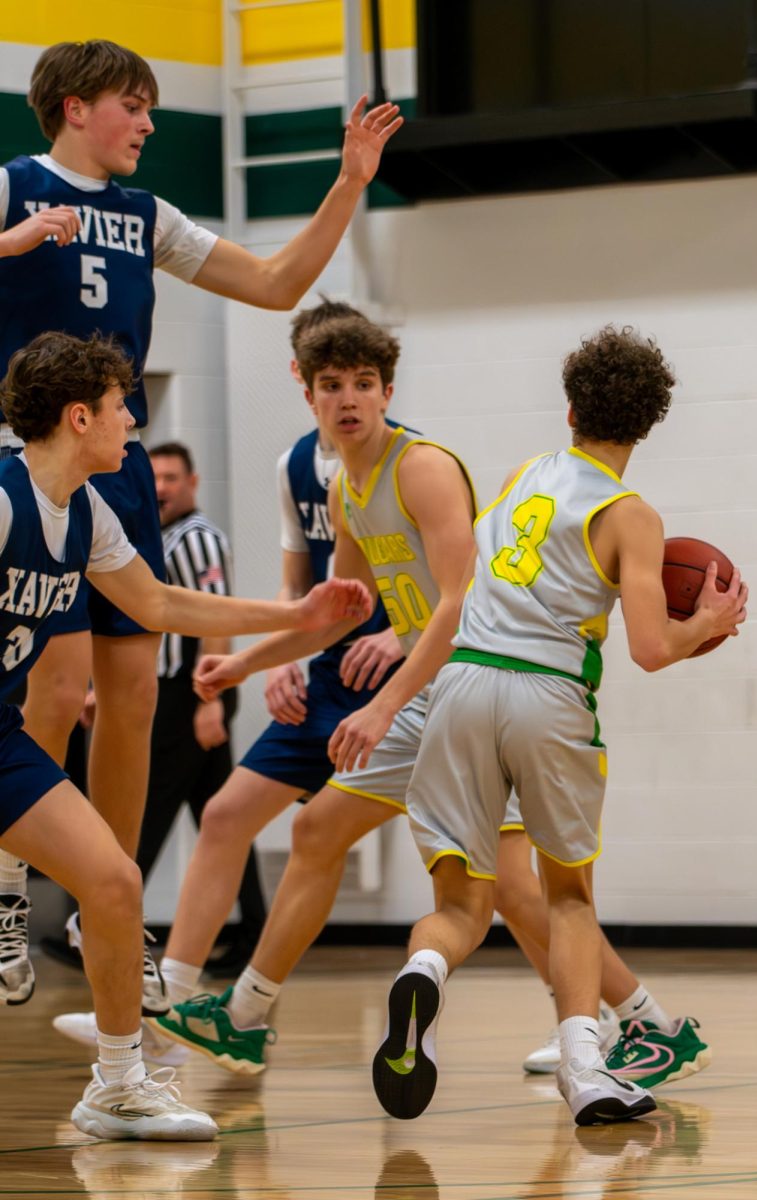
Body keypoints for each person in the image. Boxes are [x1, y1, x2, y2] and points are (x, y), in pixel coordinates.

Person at [0, 37, 401, 1005]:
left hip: (114, 463)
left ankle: (116, 898)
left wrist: (347, 184)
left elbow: (272, 285)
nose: (146, 124)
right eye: (132, 106)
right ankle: (13, 887)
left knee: (132, 694)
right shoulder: (12, 186)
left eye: (149, 107)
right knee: (50, 681)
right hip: (24, 455)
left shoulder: (146, 216)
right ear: (72, 106)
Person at [146, 315, 589, 1077]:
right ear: (308, 394)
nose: (347, 399)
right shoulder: (344, 486)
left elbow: (462, 602)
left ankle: (622, 1022)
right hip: (441, 691)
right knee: (321, 833)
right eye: (331, 386)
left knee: (518, 888)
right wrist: (246, 664)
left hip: (486, 683)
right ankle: (245, 1014)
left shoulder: (419, 468)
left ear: (387, 391)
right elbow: (335, 613)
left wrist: (383, 702)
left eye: (361, 384)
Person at [369, 326, 746, 1126]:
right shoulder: (630, 514)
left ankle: (427, 971)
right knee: (567, 897)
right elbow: (649, 649)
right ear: (646, 426)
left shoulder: (521, 474)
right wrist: (706, 622)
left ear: (570, 407)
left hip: (461, 682)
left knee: (463, 903)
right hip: (546, 691)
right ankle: (586, 1068)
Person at [0, 330, 370, 1137]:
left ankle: (118, 1084)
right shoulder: (1, 499)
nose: (132, 420)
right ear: (77, 417)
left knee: (115, 883)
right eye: (117, 407)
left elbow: (162, 605)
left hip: (3, 739)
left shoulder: (85, 512)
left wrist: (296, 615)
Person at [51, 441, 269, 1054]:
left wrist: (208, 704)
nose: (165, 487)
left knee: (141, 829)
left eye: (173, 477)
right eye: (161, 478)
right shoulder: (147, 534)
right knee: (223, 824)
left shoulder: (198, 537)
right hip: (173, 694)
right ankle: (229, 944)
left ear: (192, 481)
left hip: (186, 696)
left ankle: (106, 920)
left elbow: (209, 616)